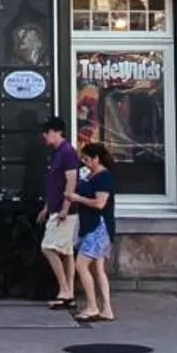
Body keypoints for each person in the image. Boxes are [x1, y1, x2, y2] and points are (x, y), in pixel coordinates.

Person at [69, 139, 116, 322]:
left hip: (99, 227)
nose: (85, 163)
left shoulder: (104, 177)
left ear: (97, 159)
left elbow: (100, 203)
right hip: (92, 226)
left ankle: (92, 306)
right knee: (98, 268)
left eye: (87, 160)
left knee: (81, 265)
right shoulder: (92, 176)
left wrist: (77, 198)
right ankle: (107, 309)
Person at [37, 114, 80, 307]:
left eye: (46, 133)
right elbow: (54, 183)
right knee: (67, 251)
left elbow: (71, 179)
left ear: (55, 132)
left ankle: (64, 289)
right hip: (56, 208)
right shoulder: (58, 153)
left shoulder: (67, 152)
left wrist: (65, 207)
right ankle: (68, 292)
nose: (44, 137)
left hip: (65, 211)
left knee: (48, 247)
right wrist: (47, 207)